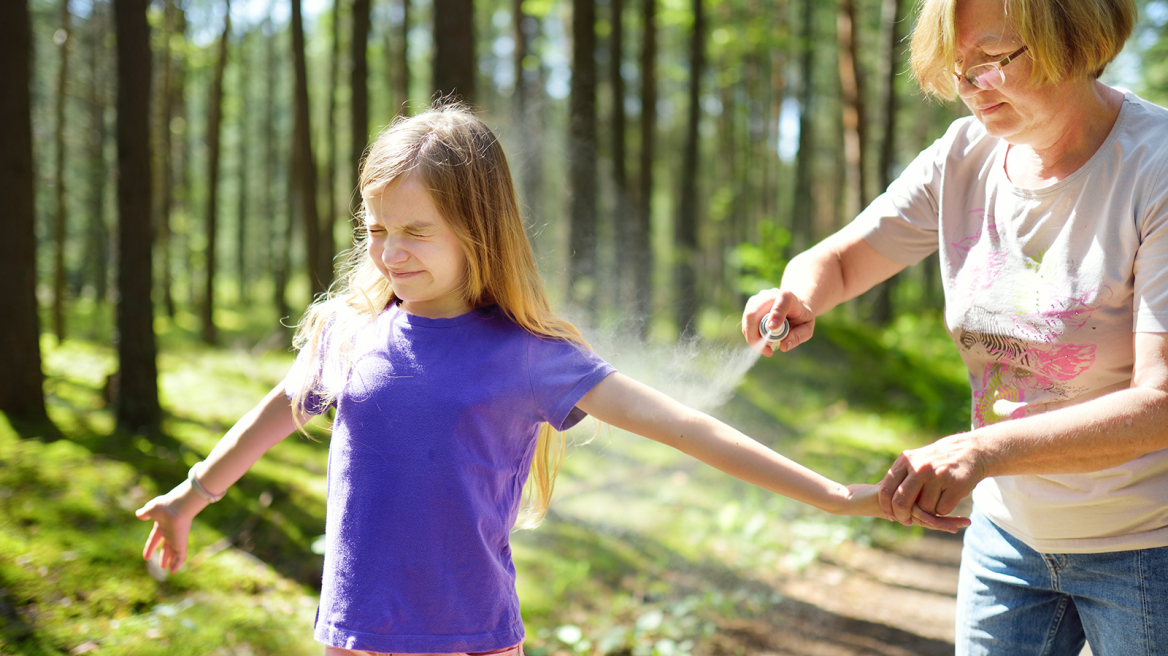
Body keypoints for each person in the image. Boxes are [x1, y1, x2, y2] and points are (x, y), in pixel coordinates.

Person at [135, 104, 966, 656]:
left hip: (477, 642)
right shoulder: (347, 335)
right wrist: (191, 494)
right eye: (378, 229)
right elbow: (279, 410)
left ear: (477, 228)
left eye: (416, 232)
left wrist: (834, 495)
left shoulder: (529, 357)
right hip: (353, 636)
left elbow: (684, 426)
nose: (391, 253)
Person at [742, 0, 1168, 652]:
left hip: (1145, 545)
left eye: (992, 62)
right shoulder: (964, 155)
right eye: (957, 68)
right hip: (1007, 538)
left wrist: (982, 451)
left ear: (1074, 38)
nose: (969, 89)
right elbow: (840, 258)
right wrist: (795, 295)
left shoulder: (1155, 169)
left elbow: (1158, 405)